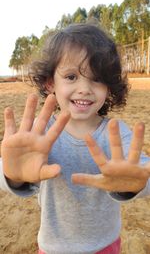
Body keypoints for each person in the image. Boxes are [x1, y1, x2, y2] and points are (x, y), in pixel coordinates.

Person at [0, 23, 150, 254]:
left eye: (97, 79)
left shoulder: (116, 133)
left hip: (105, 245)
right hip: (53, 247)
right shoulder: (38, 136)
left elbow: (143, 173)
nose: (84, 88)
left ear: (109, 87)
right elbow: (8, 171)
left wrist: (136, 185)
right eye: (71, 76)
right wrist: (14, 177)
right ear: (51, 82)